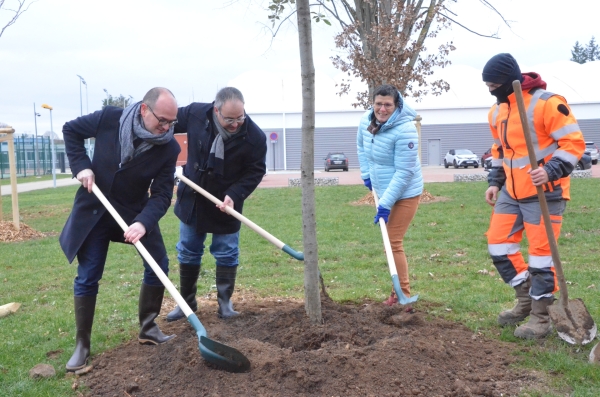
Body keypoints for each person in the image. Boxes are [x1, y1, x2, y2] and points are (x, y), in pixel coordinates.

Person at [60, 87, 181, 371]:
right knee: (88, 275)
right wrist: (81, 166)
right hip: (95, 209)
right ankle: (82, 344)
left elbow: (163, 193)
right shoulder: (109, 119)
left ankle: (148, 327)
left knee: (159, 264)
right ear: (143, 109)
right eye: (161, 120)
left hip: (133, 212)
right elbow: (70, 131)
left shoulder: (169, 147)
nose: (165, 127)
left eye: (171, 123)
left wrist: (142, 222)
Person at [482, 53, 585, 339]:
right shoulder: (497, 111)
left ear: (508, 80)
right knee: (498, 245)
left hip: (545, 191)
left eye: (494, 84)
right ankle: (526, 299)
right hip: (512, 193)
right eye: (487, 85)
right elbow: (499, 151)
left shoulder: (547, 103)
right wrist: (495, 181)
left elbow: (573, 143)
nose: (491, 90)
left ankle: (541, 319)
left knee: (541, 259)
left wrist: (550, 171)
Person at [166, 87, 267, 322]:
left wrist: (234, 194)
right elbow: (166, 123)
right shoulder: (195, 114)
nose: (236, 124)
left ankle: (225, 303)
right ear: (216, 110)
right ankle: (186, 303)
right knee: (188, 249)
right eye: (230, 119)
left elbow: (255, 171)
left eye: (240, 118)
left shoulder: (254, 137)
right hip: (193, 197)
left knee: (227, 251)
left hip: (227, 202)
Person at [357, 84, 423, 307]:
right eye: (378, 104)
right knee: (390, 243)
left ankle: (401, 295)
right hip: (382, 188)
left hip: (405, 192)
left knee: (392, 242)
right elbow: (361, 147)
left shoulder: (405, 130)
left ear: (397, 106)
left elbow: (405, 172)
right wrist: (367, 175)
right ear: (372, 103)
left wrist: (385, 204)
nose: (382, 109)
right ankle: (398, 294)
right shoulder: (366, 121)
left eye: (387, 105)